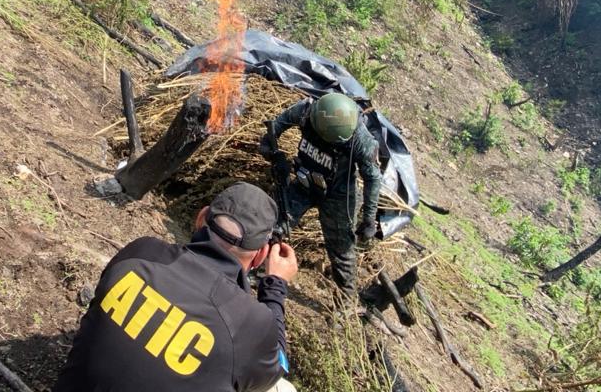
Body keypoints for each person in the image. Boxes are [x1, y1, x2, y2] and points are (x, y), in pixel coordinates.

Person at [53, 182, 299, 392]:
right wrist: (275, 285)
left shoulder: (141, 251)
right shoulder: (250, 323)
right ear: (260, 256)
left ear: (201, 218)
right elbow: (277, 364)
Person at [261, 92, 382, 297]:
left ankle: (345, 300)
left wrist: (369, 218)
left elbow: (373, 178)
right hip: (303, 181)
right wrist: (275, 155)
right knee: (274, 226)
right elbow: (275, 127)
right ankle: (262, 271)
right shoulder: (306, 111)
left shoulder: (361, 139)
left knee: (342, 252)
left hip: (338, 196)